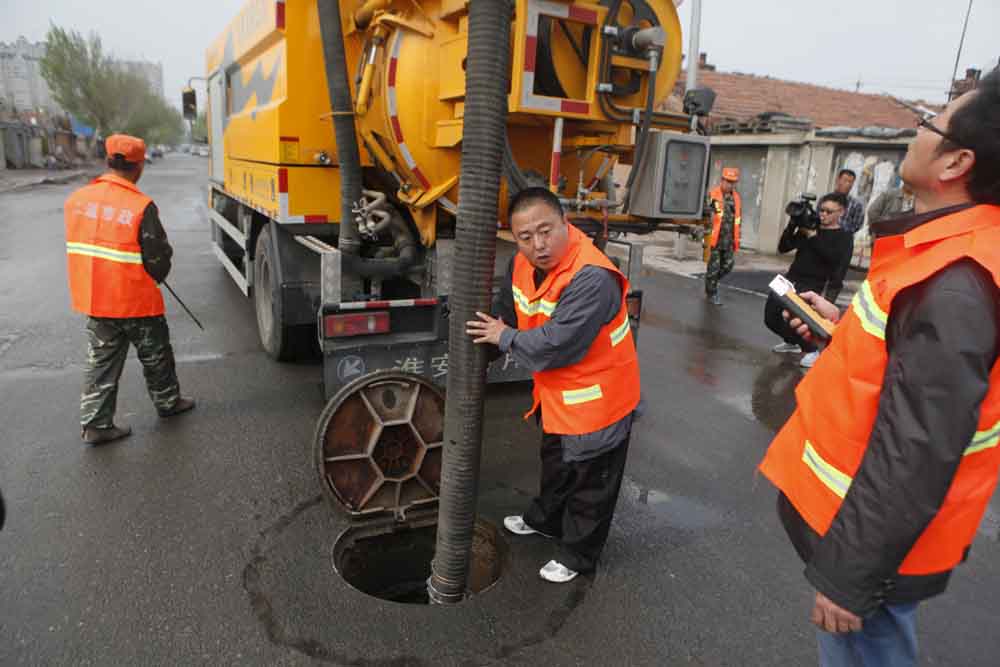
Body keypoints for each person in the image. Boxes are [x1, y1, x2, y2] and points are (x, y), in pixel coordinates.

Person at [759, 67, 1000, 666]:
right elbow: (910, 372)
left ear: (955, 163)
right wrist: (839, 328)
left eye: (928, 125)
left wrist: (848, 576)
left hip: (869, 547)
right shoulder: (947, 257)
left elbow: (916, 445)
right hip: (869, 534)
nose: (914, 133)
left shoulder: (955, 281)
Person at [466, 187, 641, 583]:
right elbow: (511, 310)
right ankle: (545, 520)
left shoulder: (592, 277)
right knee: (557, 465)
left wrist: (504, 338)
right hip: (558, 396)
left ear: (566, 224)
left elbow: (556, 345)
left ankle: (579, 556)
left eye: (546, 231)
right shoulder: (521, 265)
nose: (538, 245)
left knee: (590, 484)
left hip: (599, 401)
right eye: (525, 237)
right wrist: (484, 333)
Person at [65, 134, 194, 445]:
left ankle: (96, 424)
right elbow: (158, 257)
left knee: (101, 361)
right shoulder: (140, 206)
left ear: (109, 161)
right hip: (135, 301)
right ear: (138, 167)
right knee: (156, 354)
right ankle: (167, 403)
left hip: (96, 298)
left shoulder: (77, 201)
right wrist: (160, 273)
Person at [765, 193, 853, 369]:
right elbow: (783, 247)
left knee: (796, 322)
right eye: (821, 210)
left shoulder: (844, 237)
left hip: (812, 285)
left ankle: (812, 350)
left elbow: (834, 261)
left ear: (841, 212)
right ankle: (791, 343)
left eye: (829, 211)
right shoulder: (811, 226)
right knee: (770, 317)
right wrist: (793, 225)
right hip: (791, 278)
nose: (823, 215)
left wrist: (830, 297)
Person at [704, 167, 742, 306]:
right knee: (713, 268)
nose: (730, 184)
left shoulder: (736, 198)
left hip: (729, 240)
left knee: (728, 265)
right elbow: (706, 216)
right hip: (715, 239)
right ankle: (711, 293)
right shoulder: (712, 195)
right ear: (722, 180)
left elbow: (737, 219)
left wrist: (737, 238)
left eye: (733, 182)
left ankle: (710, 281)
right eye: (728, 181)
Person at [828, 169, 864, 301]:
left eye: (850, 182)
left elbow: (858, 223)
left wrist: (844, 232)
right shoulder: (826, 199)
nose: (847, 184)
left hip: (844, 244)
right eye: (845, 180)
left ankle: (827, 305)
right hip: (826, 239)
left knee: (837, 277)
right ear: (838, 180)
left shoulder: (856, 204)